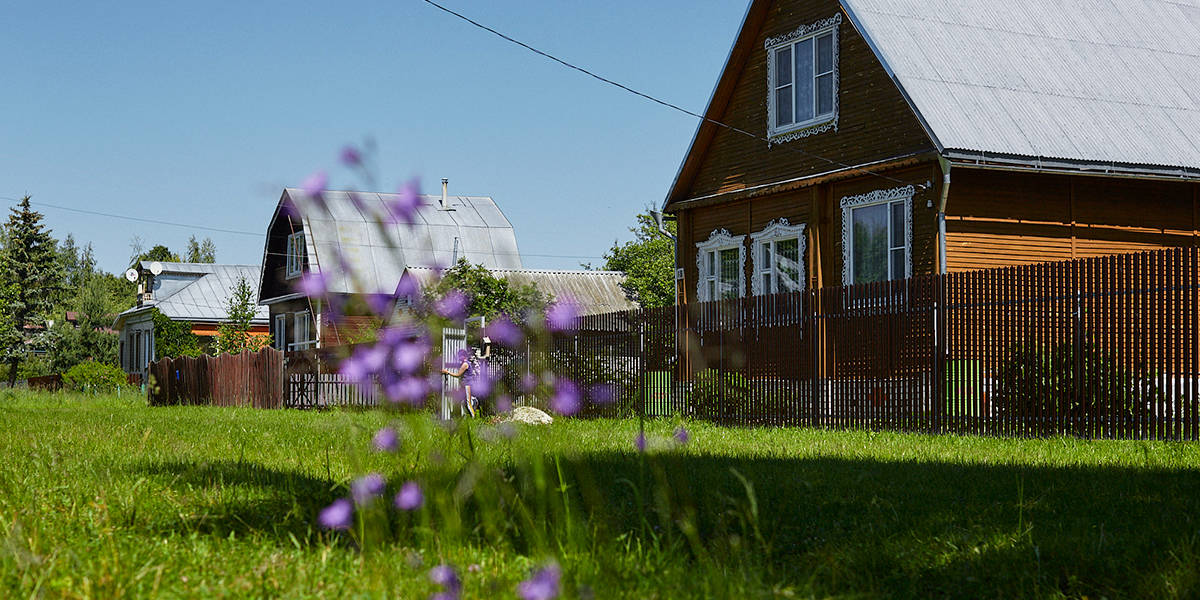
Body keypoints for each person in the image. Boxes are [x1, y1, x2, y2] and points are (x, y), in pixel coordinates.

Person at [442, 340, 490, 417]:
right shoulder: (464, 363)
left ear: (464, 356)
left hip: (466, 385)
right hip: (464, 385)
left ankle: (473, 418)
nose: (459, 357)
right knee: (463, 402)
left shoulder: (465, 364)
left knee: (468, 404)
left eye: (460, 356)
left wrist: (447, 372)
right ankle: (467, 411)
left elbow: (458, 375)